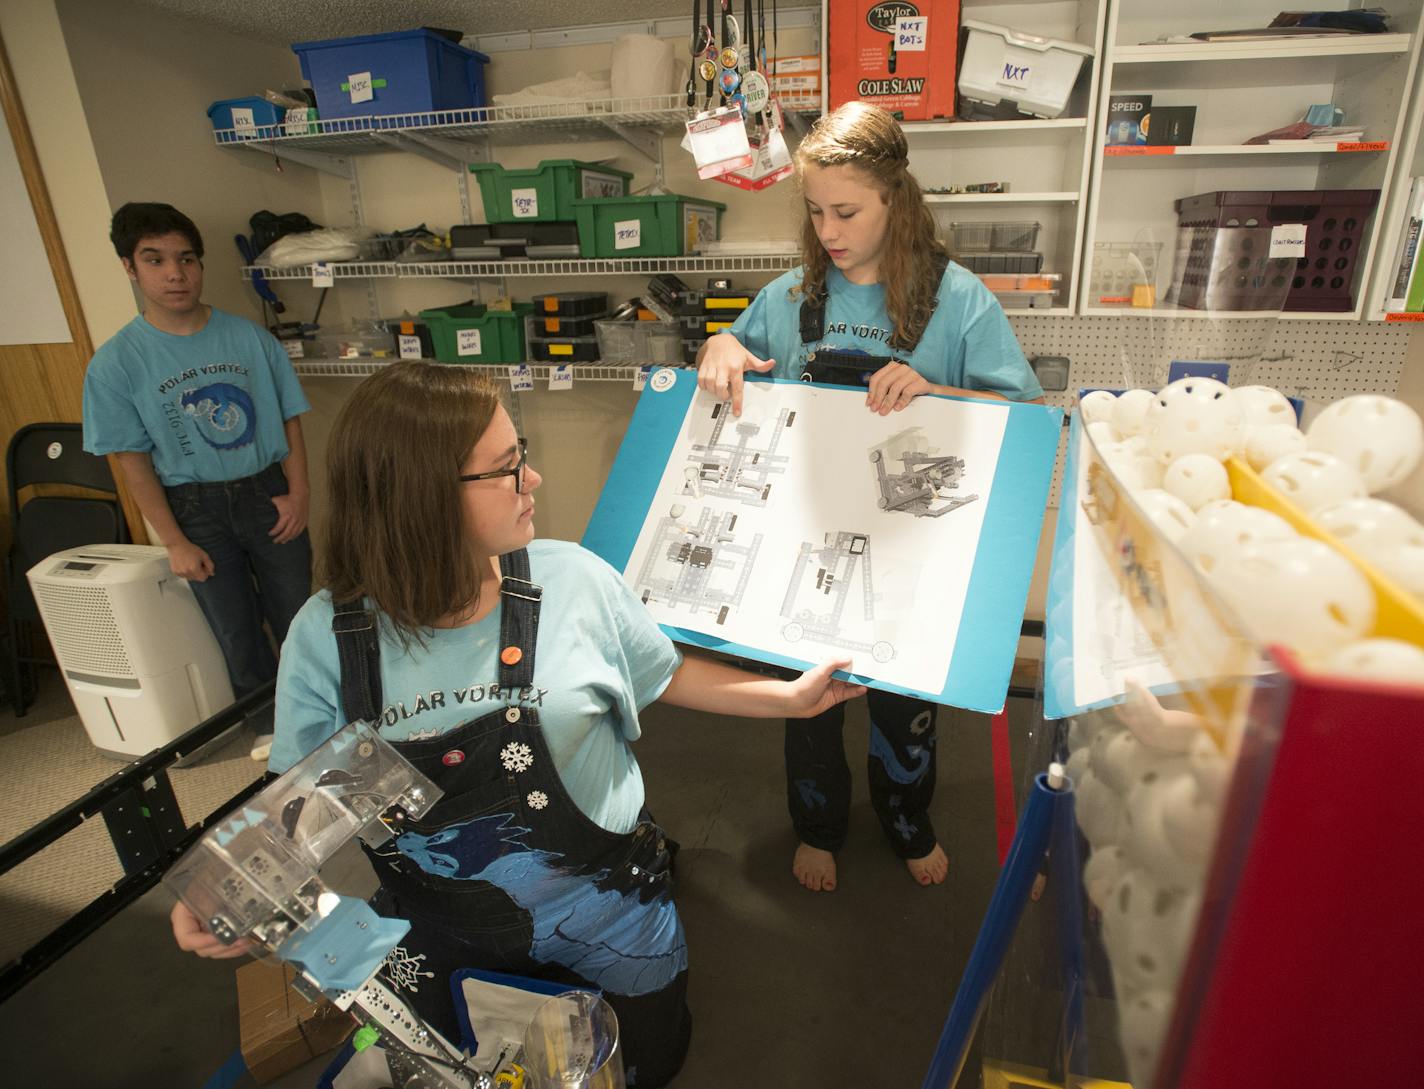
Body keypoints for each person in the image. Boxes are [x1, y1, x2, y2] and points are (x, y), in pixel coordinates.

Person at [170, 362, 863, 1088]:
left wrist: (787, 699)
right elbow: (302, 802)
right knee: (461, 1074)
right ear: (421, 498)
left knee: (640, 1066)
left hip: (613, 914)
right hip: (439, 932)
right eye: (507, 469)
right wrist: (226, 889)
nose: (533, 481)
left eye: (521, 455)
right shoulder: (326, 636)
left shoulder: (576, 580)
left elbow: (663, 672)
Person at [696, 101, 1044, 894]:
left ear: (897, 198)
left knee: (906, 712)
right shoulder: (790, 300)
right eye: (815, 212)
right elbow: (733, 357)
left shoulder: (958, 301)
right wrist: (718, 343)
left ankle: (906, 817)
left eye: (847, 210)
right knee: (809, 709)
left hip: (913, 552)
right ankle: (819, 825)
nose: (829, 229)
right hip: (807, 542)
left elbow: (1025, 419)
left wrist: (938, 390)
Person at [83, 203, 312, 756]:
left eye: (186, 259)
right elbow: (131, 460)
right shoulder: (116, 363)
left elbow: (289, 418)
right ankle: (269, 725)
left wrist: (300, 493)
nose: (175, 273)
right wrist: (174, 540)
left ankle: (319, 712)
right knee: (234, 627)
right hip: (193, 507)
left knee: (299, 614)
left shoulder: (249, 340)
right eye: (155, 260)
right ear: (129, 268)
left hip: (266, 491)